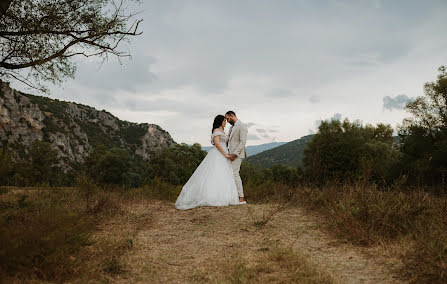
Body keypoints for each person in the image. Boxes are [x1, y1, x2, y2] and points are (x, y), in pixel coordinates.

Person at [174, 115, 240, 210]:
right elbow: (217, 144)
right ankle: (212, 196)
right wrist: (225, 154)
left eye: (226, 121)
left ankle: (224, 195)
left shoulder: (222, 131)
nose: (225, 122)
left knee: (224, 174)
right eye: (224, 121)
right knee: (214, 173)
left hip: (225, 152)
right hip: (219, 153)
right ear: (220, 121)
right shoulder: (216, 131)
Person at [225, 111, 248, 204]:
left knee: (235, 174)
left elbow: (242, 142)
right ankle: (233, 195)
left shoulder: (242, 126)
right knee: (230, 174)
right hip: (229, 155)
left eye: (227, 118)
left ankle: (241, 197)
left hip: (237, 155)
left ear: (232, 115)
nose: (227, 121)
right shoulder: (231, 128)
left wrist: (235, 154)